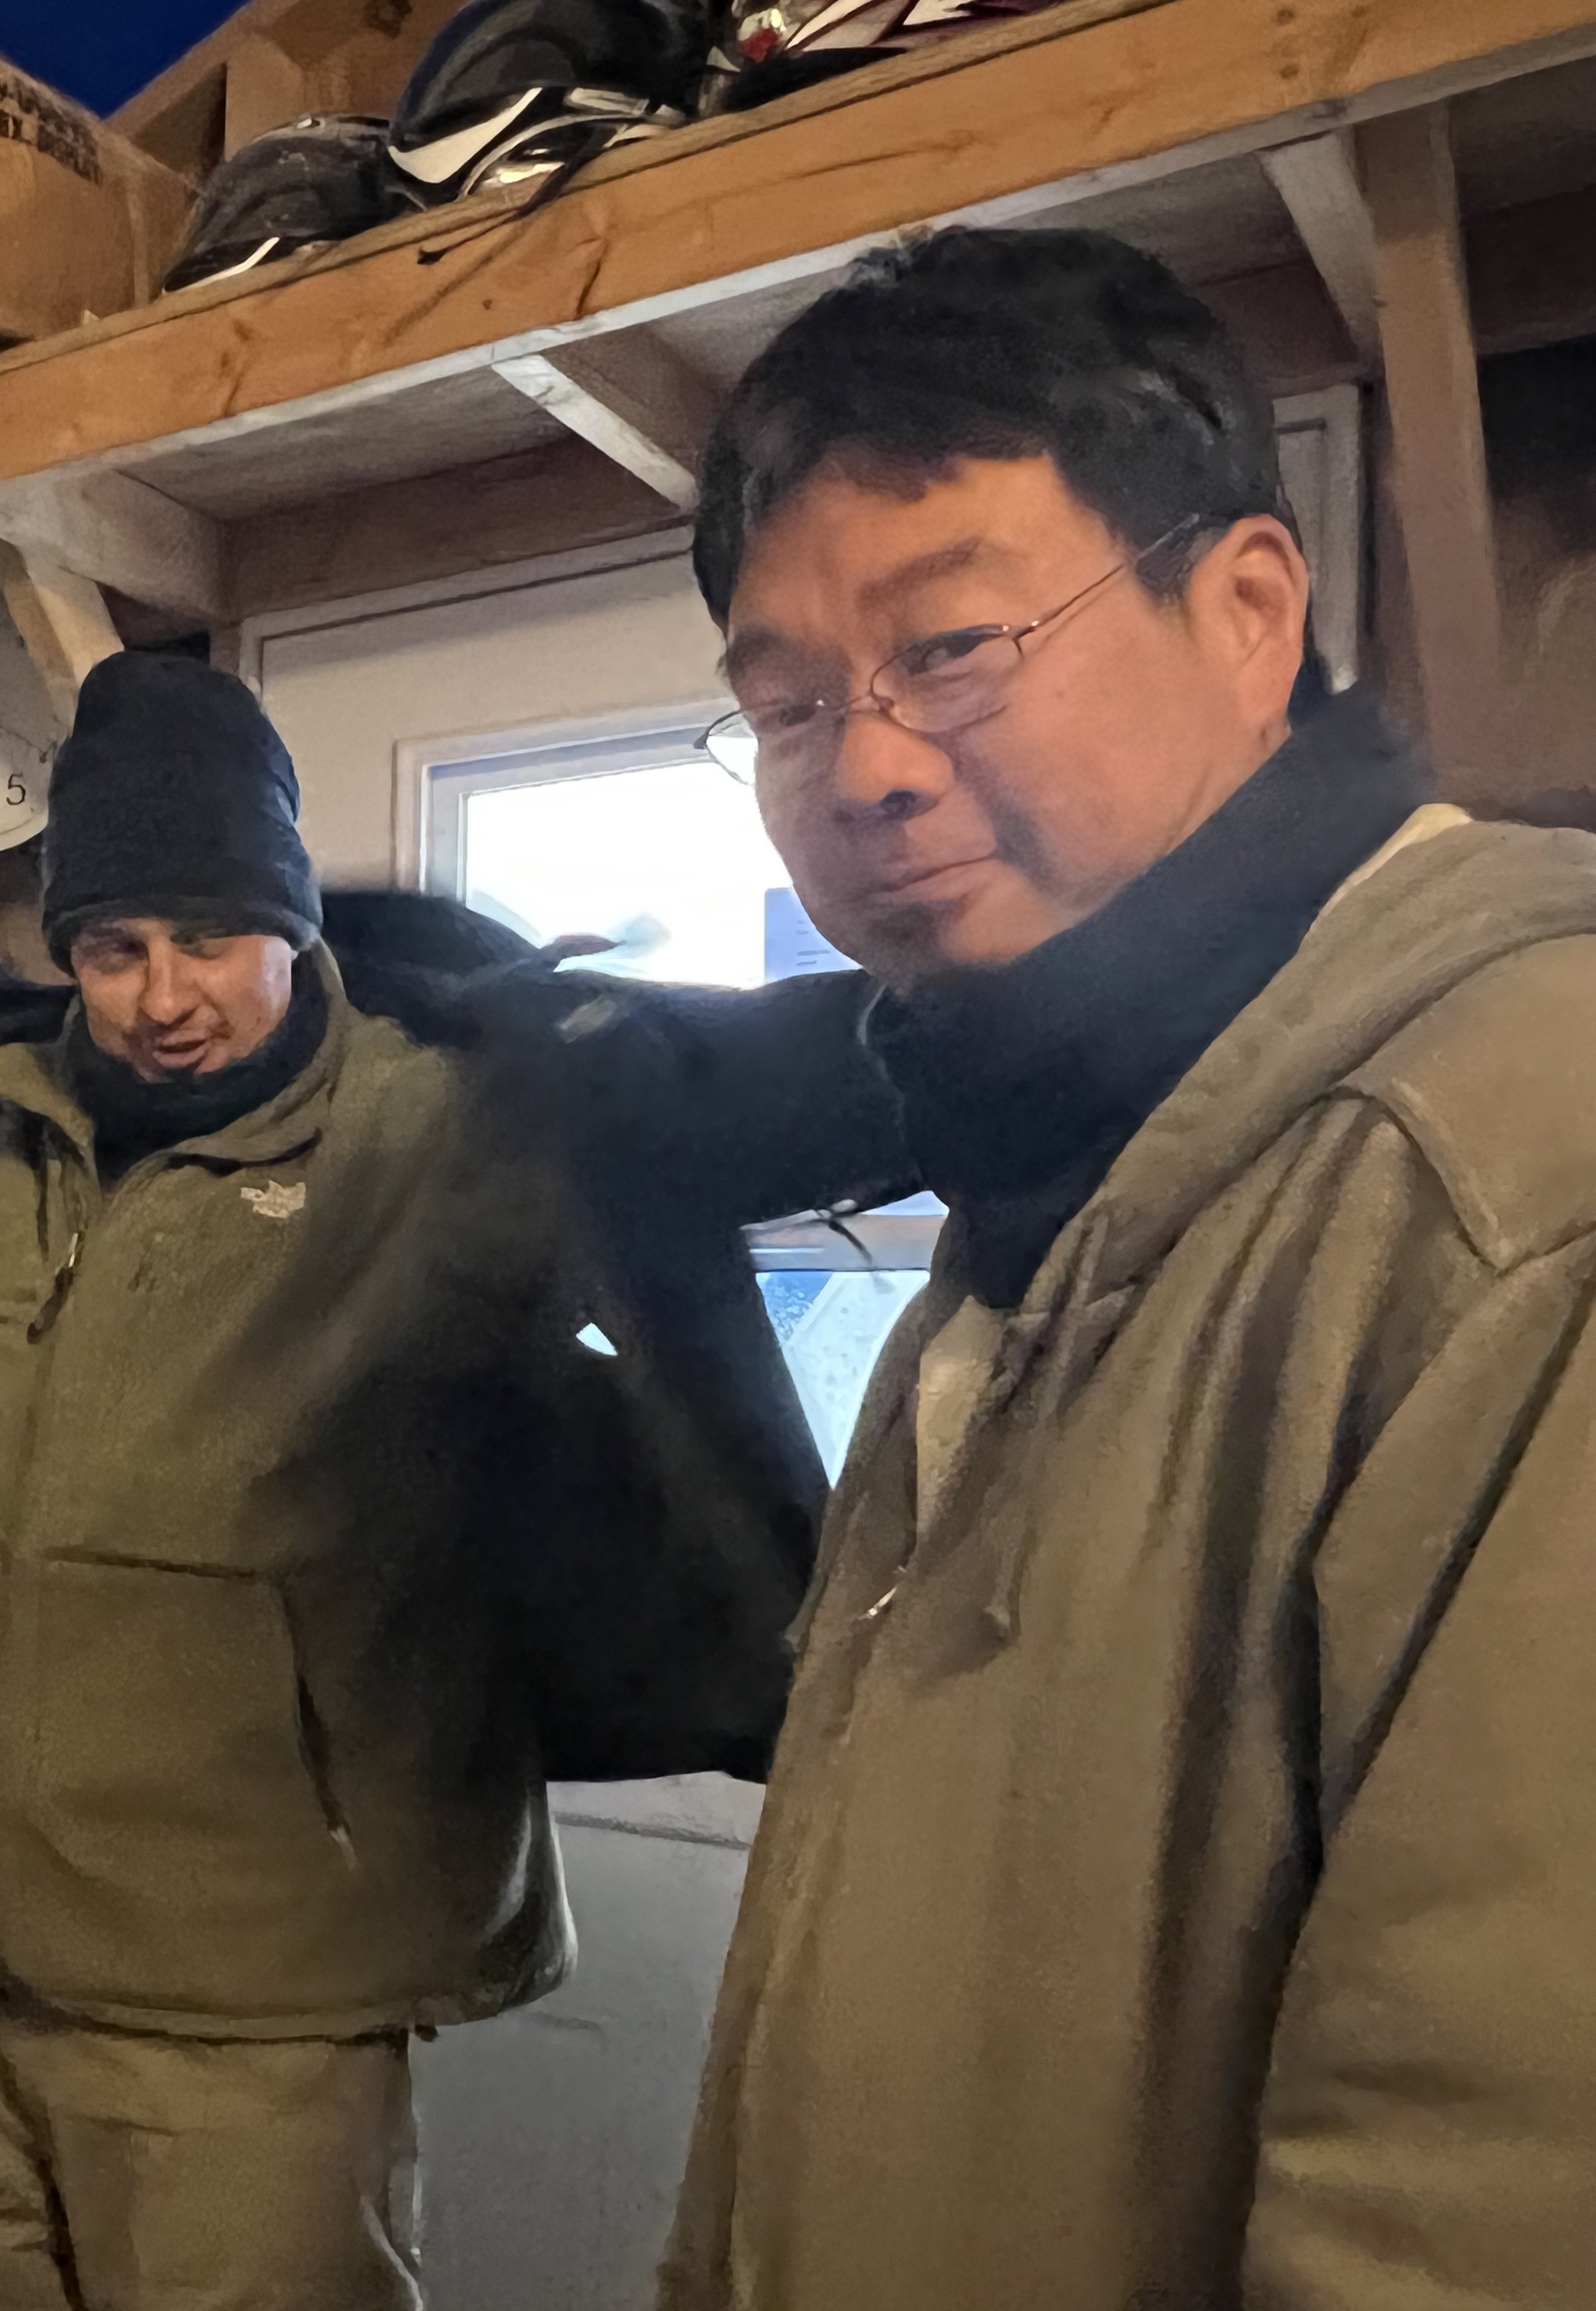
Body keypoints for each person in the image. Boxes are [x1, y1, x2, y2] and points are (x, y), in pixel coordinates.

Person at [0, 650, 887, 2311]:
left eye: (213, 938)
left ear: (293, 924)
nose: (166, 995)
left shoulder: (441, 1126)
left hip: (255, 2009)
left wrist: (1053, 988)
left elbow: (792, 1100)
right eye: (113, 946)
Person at [663, 225, 1596, 2309]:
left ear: (1250, 611)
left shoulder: (1512, 1163)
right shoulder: (1050, 1180)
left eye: (957, 645)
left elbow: (1491, 2202)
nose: (870, 765)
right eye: (789, 704)